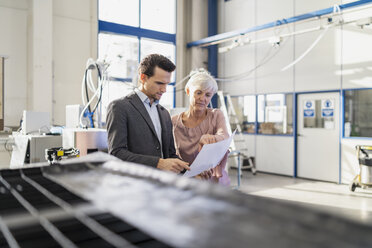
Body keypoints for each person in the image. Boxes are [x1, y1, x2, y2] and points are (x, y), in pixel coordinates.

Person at [106, 54, 190, 174]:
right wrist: (158, 163)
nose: (164, 89)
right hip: (135, 185)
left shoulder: (164, 113)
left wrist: (190, 171)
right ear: (143, 77)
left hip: (161, 185)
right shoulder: (119, 107)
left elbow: (170, 155)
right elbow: (117, 154)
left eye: (167, 84)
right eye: (160, 83)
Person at [172, 69, 230, 185]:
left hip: (213, 181)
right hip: (186, 181)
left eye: (207, 95)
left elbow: (224, 136)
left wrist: (211, 138)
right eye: (198, 92)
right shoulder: (173, 122)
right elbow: (171, 155)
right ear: (188, 91)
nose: (203, 98)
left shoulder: (216, 115)